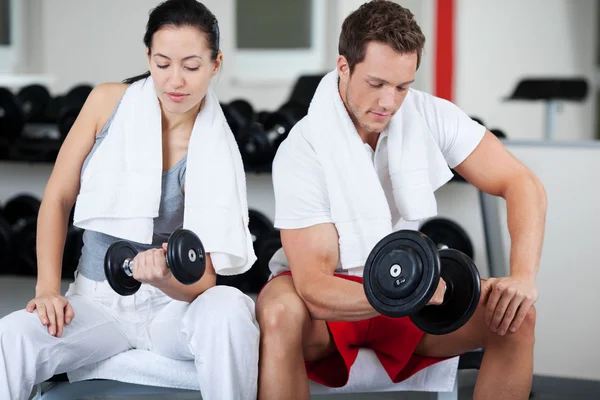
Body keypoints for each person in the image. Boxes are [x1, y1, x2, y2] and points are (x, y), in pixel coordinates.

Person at [256, 1, 545, 399]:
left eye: (402, 86)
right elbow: (315, 288)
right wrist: (408, 291)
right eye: (376, 84)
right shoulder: (303, 149)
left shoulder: (429, 116)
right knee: (278, 309)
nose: (389, 102)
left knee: (516, 317)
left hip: (411, 290)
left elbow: (522, 183)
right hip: (331, 308)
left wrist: (522, 277)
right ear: (344, 67)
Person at [0, 1, 259, 399]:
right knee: (12, 335)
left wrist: (165, 280)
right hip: (98, 304)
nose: (175, 80)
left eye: (191, 67)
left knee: (230, 307)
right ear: (147, 58)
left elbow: (204, 278)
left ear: (215, 63)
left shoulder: (216, 150)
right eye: (162, 63)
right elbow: (58, 196)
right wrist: (47, 288)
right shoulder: (107, 103)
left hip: (171, 309)